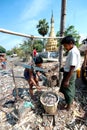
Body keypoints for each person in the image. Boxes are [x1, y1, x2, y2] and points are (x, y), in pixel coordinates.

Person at [59, 35, 81, 111]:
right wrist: (64, 69)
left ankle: (68, 106)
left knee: (68, 90)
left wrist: (67, 80)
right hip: (69, 73)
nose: (65, 47)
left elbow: (72, 67)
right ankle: (68, 102)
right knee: (68, 89)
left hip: (70, 74)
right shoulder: (73, 50)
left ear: (71, 43)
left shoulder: (73, 52)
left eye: (65, 45)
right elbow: (70, 64)